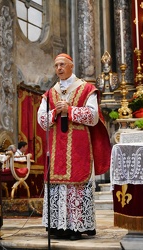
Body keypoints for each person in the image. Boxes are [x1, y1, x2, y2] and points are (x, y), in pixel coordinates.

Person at [37, 53, 111, 240]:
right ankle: (57, 226)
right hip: (56, 145)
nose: (59, 68)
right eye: (56, 65)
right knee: (57, 186)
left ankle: (76, 227)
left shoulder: (86, 89)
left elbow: (93, 117)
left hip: (78, 145)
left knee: (76, 183)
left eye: (62, 64)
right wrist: (55, 112)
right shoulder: (49, 93)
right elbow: (41, 120)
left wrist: (69, 110)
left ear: (71, 66)